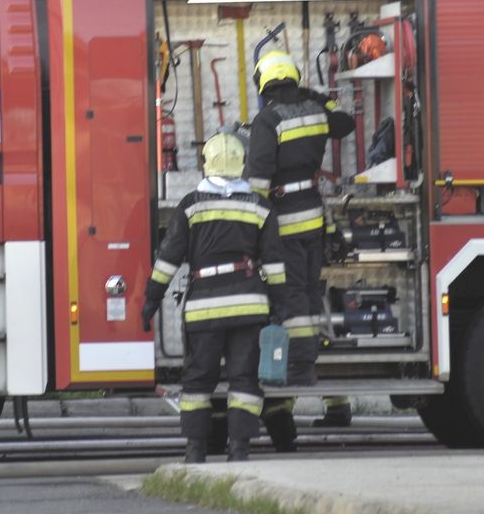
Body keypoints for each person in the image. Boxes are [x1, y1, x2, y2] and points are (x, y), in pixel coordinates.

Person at [141, 132, 285, 464]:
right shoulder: (260, 207)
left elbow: (168, 258)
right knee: (244, 380)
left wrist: (151, 299)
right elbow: (274, 264)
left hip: (203, 310)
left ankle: (195, 452)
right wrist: (279, 306)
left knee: (197, 382)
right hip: (249, 307)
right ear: (242, 164)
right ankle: (239, 452)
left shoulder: (191, 205)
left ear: (206, 164)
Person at [244, 49, 355, 447]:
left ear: (263, 83)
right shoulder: (315, 110)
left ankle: (299, 371)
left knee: (289, 299)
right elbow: (345, 123)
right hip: (312, 215)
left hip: (284, 222)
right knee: (309, 293)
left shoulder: (268, 120)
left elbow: (258, 180)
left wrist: (252, 227)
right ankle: (325, 387)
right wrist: (319, 96)